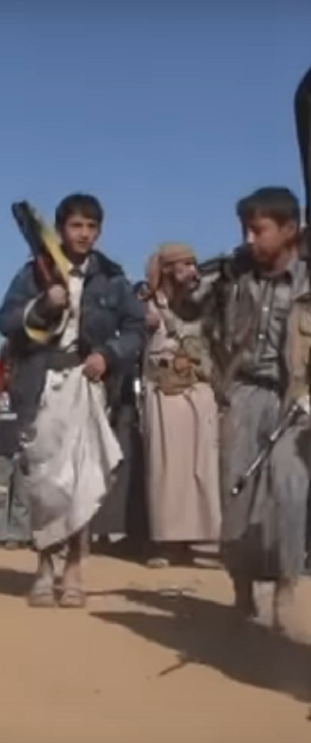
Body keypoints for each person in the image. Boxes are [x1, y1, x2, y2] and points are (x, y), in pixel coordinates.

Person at [0, 193, 145, 608]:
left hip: (88, 384)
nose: (84, 234)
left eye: (91, 226)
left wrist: (108, 355)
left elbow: (136, 327)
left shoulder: (112, 277)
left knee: (82, 480)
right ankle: (45, 567)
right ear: (61, 229)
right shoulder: (34, 272)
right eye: (76, 225)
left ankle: (76, 567)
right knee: (45, 483)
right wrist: (42, 305)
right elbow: (6, 320)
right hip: (42, 384)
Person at [210, 187, 310, 638]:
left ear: (289, 230)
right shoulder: (233, 277)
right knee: (236, 490)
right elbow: (196, 318)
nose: (249, 239)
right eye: (244, 230)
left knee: (289, 489)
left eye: (258, 229)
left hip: (295, 399)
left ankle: (286, 588)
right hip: (244, 393)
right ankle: (242, 588)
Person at [141, 242, 220, 568]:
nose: (191, 271)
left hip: (199, 388)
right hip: (164, 391)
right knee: (167, 469)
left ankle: (206, 540)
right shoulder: (148, 304)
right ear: (167, 268)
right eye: (184, 265)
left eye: (193, 264)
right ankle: (169, 543)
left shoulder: (203, 302)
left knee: (204, 466)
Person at [0, 348, 30, 548]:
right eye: (5, 370)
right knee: (0, 493)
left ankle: (18, 534)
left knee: (21, 495)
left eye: (13, 370)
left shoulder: (27, 395)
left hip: (22, 450)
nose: (9, 375)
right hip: (2, 451)